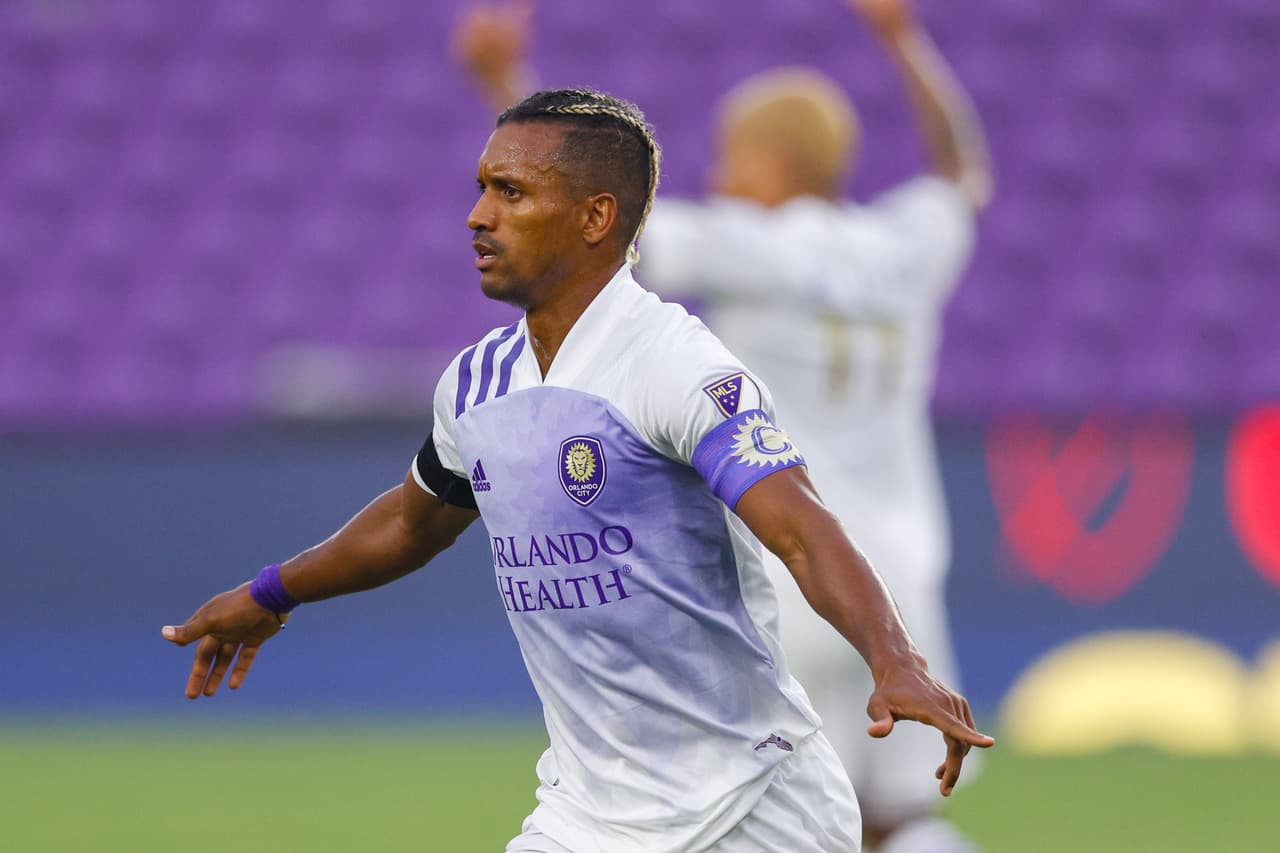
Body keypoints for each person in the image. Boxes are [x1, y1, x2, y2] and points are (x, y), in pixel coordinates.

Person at [162, 88, 991, 852]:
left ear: (597, 217)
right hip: (588, 811)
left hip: (754, 806)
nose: (478, 217)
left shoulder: (677, 364)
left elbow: (801, 527)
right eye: (484, 188)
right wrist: (272, 592)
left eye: (511, 193)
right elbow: (409, 525)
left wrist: (896, 659)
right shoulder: (479, 382)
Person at [453, 1, 993, 850]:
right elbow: (963, 169)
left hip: (793, 567)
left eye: (733, 157)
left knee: (770, 812)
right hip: (904, 574)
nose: (722, 172)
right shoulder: (906, 245)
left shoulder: (746, 243)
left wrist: (501, 84)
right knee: (901, 819)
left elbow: (588, 217)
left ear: (772, 165)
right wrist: (904, 40)